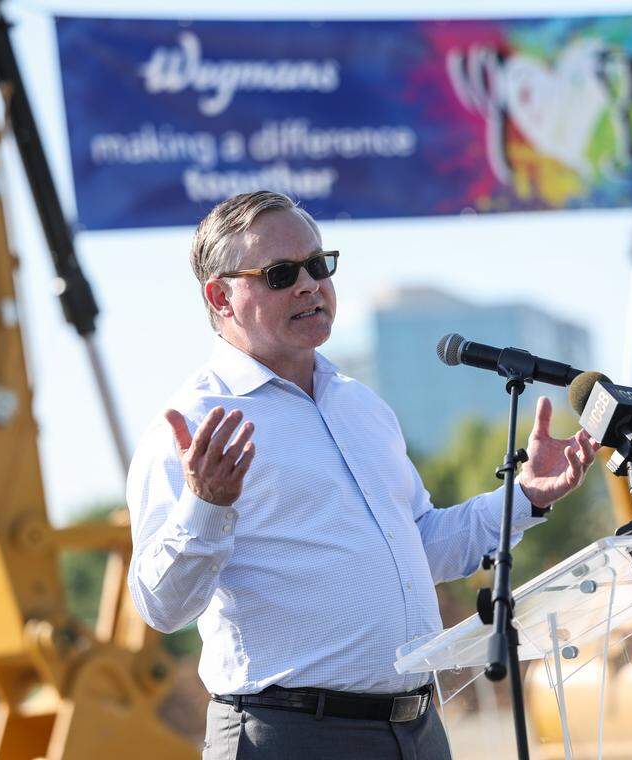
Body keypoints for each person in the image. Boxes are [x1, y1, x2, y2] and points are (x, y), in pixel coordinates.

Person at [126, 190, 599, 759]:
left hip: (416, 730)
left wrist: (523, 496)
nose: (309, 285)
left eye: (317, 265)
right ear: (220, 297)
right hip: (289, 736)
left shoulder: (361, 405)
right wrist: (206, 505)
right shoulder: (193, 425)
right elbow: (162, 608)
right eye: (280, 274)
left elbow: (422, 546)